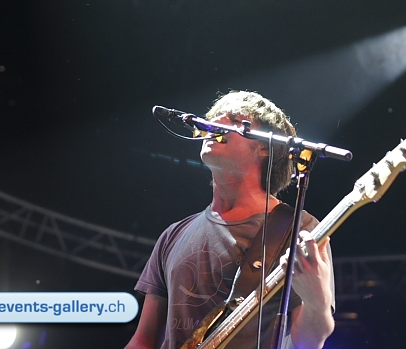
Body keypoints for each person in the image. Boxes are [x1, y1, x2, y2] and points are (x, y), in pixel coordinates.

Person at [125, 91, 335, 349]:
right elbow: (143, 341)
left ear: (264, 147)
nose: (215, 124)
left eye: (234, 120)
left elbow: (307, 343)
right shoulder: (174, 234)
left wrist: (317, 303)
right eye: (214, 118)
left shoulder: (297, 229)